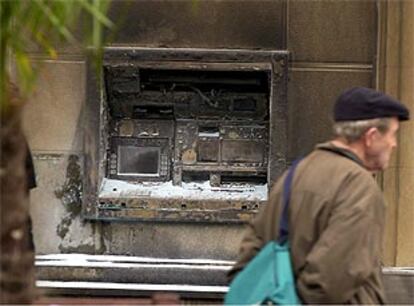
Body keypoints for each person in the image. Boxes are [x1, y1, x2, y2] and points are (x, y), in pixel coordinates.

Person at [228, 87, 410, 304]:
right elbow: (333, 277)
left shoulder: (297, 172)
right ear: (370, 137)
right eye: (392, 134)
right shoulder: (359, 187)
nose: (394, 144)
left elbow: (252, 249)